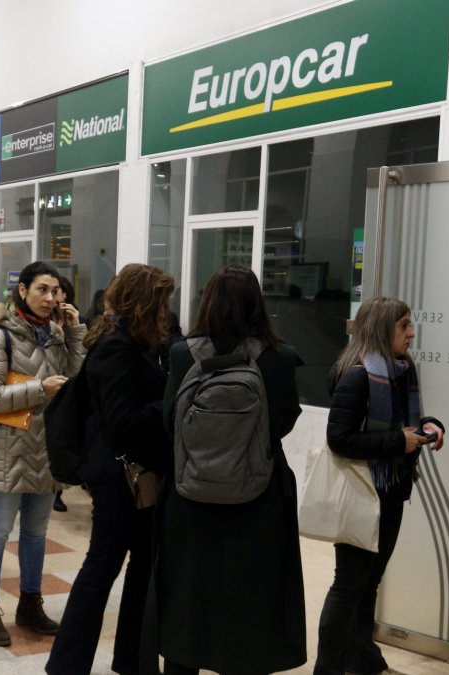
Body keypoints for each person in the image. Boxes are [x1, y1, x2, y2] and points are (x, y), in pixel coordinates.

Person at [142, 264, 307, 675]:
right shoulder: (281, 357)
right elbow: (283, 421)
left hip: (188, 495)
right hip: (259, 497)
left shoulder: (182, 354)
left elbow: (168, 421)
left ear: (208, 301)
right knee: (249, 604)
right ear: (258, 303)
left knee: (185, 600)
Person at [46, 263, 173, 675]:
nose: (166, 311)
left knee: (138, 566)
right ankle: (67, 665)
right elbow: (120, 419)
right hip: (119, 476)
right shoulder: (118, 346)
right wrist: (168, 409)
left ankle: (132, 660)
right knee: (102, 567)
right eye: (161, 302)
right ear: (145, 303)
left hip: (131, 474)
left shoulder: (128, 341)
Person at [313, 296, 447, 675]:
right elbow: (340, 439)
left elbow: (401, 426)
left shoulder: (401, 370)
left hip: (391, 490)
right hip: (363, 492)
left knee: (369, 583)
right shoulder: (357, 375)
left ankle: (363, 662)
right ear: (381, 329)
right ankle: (329, 669)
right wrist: (398, 442)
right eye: (404, 325)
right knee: (349, 586)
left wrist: (429, 427)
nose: (412, 333)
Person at [0, 261, 87, 647]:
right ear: (22, 291)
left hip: (43, 450)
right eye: (42, 289)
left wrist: (75, 335)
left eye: (55, 291)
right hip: (5, 450)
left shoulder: (55, 334)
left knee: (36, 533)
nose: (50, 298)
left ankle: (30, 603)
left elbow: (76, 382)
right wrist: (40, 389)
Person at [51, 274, 81, 513]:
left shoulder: (74, 321)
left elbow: (79, 365)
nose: (57, 297)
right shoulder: (43, 323)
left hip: (67, 390)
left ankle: (57, 490)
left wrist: (76, 329)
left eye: (60, 291)